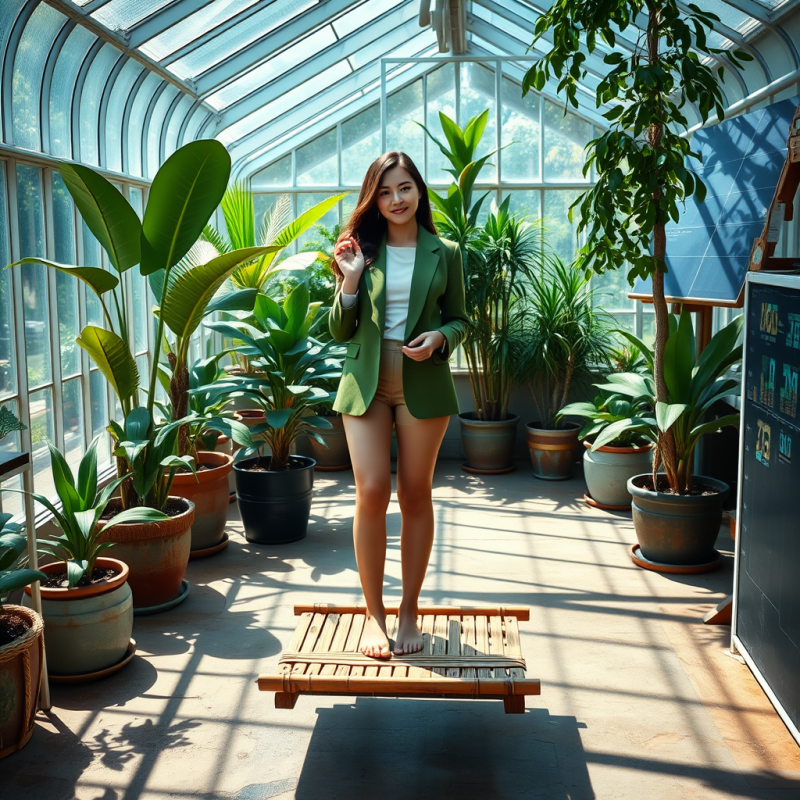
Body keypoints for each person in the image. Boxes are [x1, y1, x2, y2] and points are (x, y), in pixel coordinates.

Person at [329, 151, 469, 659]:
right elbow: (340, 330)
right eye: (385, 191)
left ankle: (409, 610)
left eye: (404, 188)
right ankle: (374, 614)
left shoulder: (445, 251)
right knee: (370, 491)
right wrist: (348, 281)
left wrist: (439, 337)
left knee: (415, 494)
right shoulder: (359, 250)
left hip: (422, 379)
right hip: (366, 379)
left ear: (419, 191)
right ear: (374, 198)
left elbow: (460, 319)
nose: (396, 199)